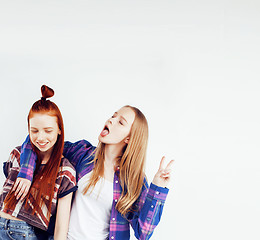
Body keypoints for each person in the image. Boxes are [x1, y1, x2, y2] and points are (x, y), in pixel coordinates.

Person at [14, 105, 174, 240]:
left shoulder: (134, 181)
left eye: (120, 122)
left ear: (129, 138)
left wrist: (158, 188)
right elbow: (40, 140)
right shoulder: (83, 154)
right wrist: (25, 173)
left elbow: (143, 233)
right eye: (113, 116)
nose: (111, 120)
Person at [0, 85, 77, 240]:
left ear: (59, 129)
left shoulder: (65, 170)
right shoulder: (18, 154)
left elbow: (62, 225)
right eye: (34, 131)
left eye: (48, 131)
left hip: (26, 233)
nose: (40, 138)